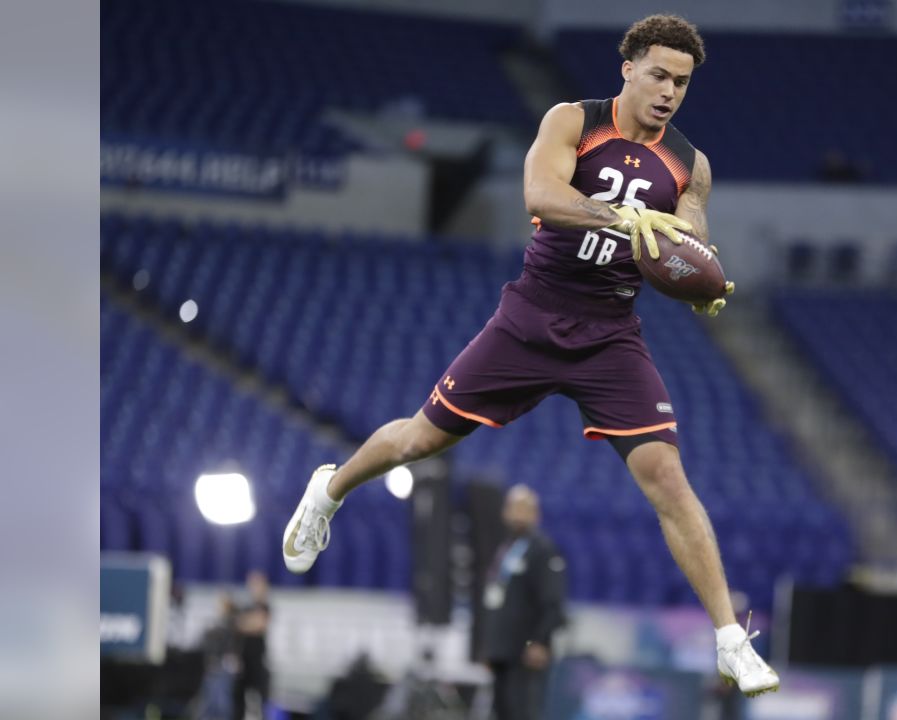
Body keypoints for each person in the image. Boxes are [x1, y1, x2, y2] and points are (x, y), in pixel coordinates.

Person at [281, 13, 778, 697]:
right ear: (628, 66)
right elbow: (540, 195)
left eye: (683, 82)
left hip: (609, 334)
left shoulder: (690, 167)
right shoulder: (573, 122)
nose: (669, 91)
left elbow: (688, 245)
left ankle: (729, 640)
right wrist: (623, 218)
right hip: (533, 317)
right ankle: (327, 492)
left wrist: (698, 278)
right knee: (419, 440)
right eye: (659, 74)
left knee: (667, 475)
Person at [479, 485, 565, 720]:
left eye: (524, 509)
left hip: (525, 653)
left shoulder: (543, 550)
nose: (518, 514)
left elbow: (553, 601)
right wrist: (489, 646)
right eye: (513, 507)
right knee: (501, 712)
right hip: (502, 651)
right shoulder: (504, 548)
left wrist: (540, 641)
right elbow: (496, 599)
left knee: (523, 713)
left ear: (536, 514)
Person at [233, 571, 271, 720]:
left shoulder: (265, 606)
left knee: (260, 700)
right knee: (239, 700)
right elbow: (237, 624)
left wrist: (243, 622)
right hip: (244, 660)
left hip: (258, 660)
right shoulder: (246, 607)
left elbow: (258, 624)